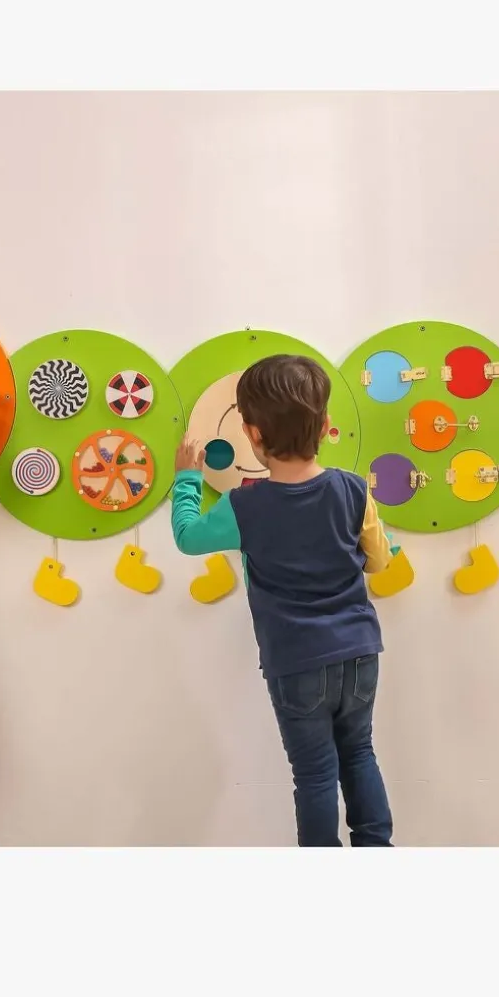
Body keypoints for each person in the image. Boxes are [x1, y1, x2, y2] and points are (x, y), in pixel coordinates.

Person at [171, 354, 396, 847]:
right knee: (359, 754)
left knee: (315, 774)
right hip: (360, 652)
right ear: (326, 424)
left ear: (251, 434)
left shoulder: (243, 506)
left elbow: (187, 536)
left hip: (296, 663)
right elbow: (379, 561)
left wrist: (187, 478)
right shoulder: (353, 489)